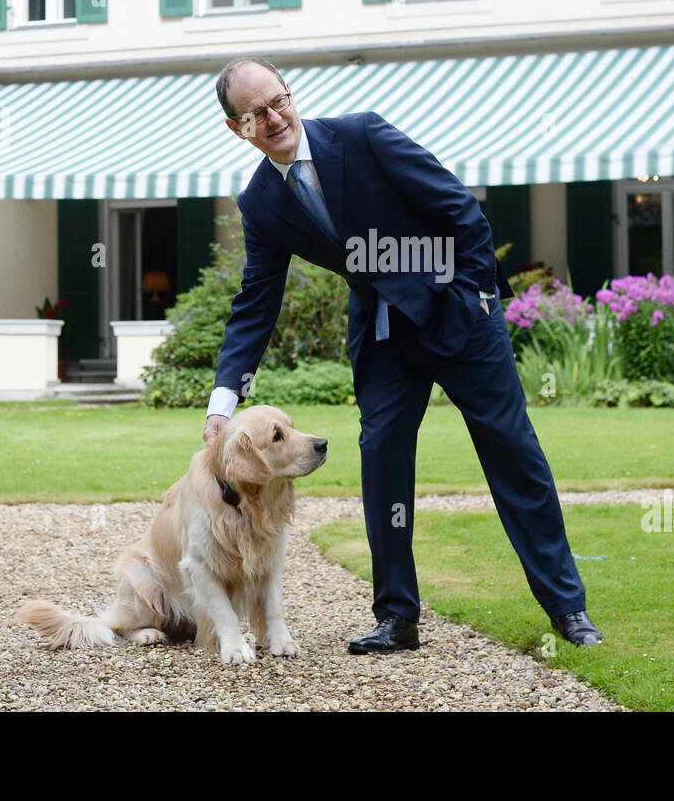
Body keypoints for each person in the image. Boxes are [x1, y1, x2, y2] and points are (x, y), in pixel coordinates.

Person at [202, 57, 600, 654]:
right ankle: (397, 617)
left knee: (513, 453)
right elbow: (256, 300)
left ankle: (568, 608)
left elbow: (459, 208)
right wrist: (225, 397)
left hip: (460, 316)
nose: (274, 117)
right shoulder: (260, 203)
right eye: (256, 114)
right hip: (384, 336)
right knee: (382, 461)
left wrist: (475, 294)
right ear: (238, 129)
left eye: (278, 100)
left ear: (292, 92)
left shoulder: (362, 134)